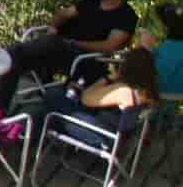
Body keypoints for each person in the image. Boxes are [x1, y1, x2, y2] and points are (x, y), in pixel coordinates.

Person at [0, 0, 137, 113]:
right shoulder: (90, 1)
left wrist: (75, 43)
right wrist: (54, 26)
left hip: (85, 59)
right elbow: (63, 13)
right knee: (16, 57)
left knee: (19, 53)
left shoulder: (126, 15)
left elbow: (109, 46)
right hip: (58, 46)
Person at [26, 45, 160, 130]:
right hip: (113, 133)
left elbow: (86, 99)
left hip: (99, 133)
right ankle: (29, 135)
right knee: (49, 110)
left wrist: (109, 78)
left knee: (52, 96)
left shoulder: (124, 91)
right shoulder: (147, 93)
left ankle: (25, 138)